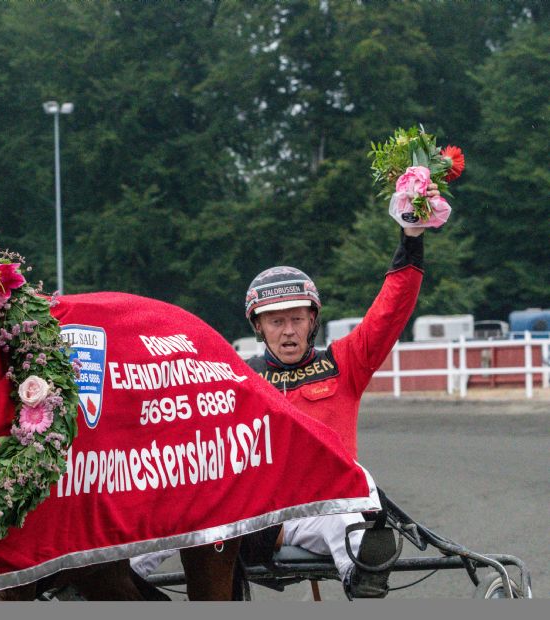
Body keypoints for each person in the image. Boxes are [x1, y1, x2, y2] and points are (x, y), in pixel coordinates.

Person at [132, 185, 436, 599]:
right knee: (173, 506)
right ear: (258, 327)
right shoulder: (238, 376)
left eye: (296, 319)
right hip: (253, 515)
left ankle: (361, 571)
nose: (288, 331)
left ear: (313, 321)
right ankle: (112, 570)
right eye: (275, 322)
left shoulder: (346, 363)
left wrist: (411, 240)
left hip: (318, 510)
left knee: (350, 503)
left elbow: (389, 312)